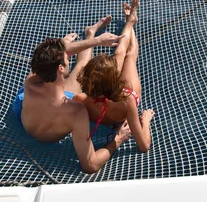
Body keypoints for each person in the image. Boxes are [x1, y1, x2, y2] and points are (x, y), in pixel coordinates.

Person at [12, 16, 131, 174]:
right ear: (61, 68)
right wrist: (117, 141)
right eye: (66, 56)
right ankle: (89, 34)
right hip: (52, 128)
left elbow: (44, 62)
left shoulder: (31, 83)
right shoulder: (76, 111)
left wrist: (94, 41)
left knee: (72, 65)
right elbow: (90, 164)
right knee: (81, 66)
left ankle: (90, 33)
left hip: (24, 120)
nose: (68, 54)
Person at [74, 0, 155, 152]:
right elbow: (144, 146)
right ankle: (131, 22)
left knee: (119, 52)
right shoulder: (128, 101)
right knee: (129, 55)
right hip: (125, 93)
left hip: (107, 92)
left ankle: (130, 21)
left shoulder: (81, 99)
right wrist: (146, 120)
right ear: (115, 78)